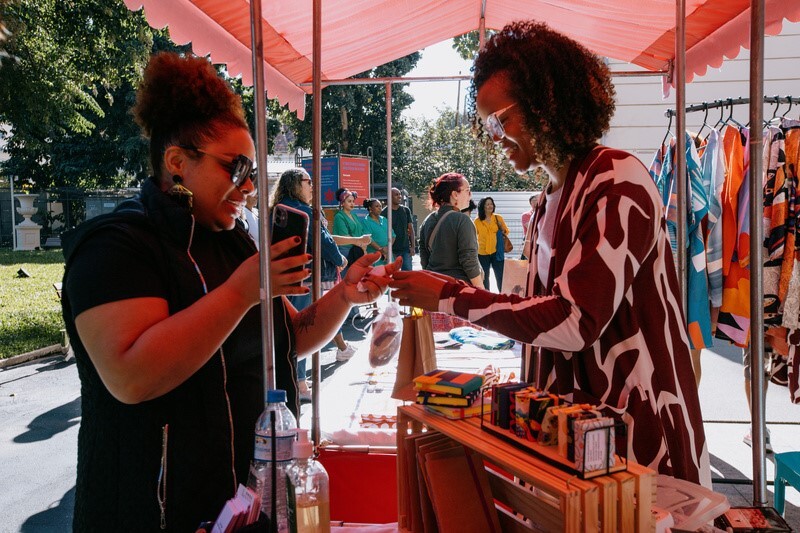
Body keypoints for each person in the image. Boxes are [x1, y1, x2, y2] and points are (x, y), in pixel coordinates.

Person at [60, 52, 398, 531]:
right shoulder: (116, 246)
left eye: (253, 173)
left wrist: (343, 296)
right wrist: (242, 292)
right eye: (235, 168)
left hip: (240, 506)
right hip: (148, 512)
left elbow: (290, 336)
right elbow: (132, 377)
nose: (247, 187)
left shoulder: (234, 241)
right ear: (177, 163)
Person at [390, 21, 709, 485]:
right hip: (578, 447)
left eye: (500, 119)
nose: (494, 135)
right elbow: (537, 317)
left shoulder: (617, 180)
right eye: (487, 124)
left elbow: (573, 320)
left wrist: (450, 296)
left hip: (638, 442)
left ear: (547, 103)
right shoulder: (546, 202)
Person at [269, 167, 349, 399]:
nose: (313, 187)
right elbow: (322, 239)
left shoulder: (276, 209)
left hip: (280, 277)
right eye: (308, 182)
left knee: (286, 329)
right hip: (302, 276)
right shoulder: (303, 211)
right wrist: (339, 258)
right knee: (301, 328)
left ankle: (294, 379)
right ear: (295, 184)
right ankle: (300, 383)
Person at [417, 172, 482, 287]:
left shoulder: (427, 221)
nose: (470, 195)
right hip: (459, 290)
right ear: (455, 194)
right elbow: (469, 261)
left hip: (435, 288)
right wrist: (481, 290)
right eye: (467, 190)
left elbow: (424, 261)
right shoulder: (462, 220)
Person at [473, 196, 510, 291]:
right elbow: (473, 235)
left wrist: (502, 230)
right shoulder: (477, 221)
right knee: (485, 277)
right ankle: (486, 296)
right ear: (483, 207)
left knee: (500, 276)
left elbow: (506, 231)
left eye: (491, 204)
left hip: (496, 252)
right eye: (487, 204)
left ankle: (502, 296)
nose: (490, 206)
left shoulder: (498, 218)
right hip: (482, 253)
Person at [332, 187, 370, 271]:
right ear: (342, 203)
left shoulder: (354, 216)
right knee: (346, 278)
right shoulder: (339, 216)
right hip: (345, 251)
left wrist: (363, 245)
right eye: (349, 201)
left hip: (357, 250)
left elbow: (360, 231)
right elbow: (344, 235)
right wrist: (361, 244)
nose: (352, 203)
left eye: (353, 201)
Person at [381, 187, 415, 271]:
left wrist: (413, 247)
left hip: (405, 249)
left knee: (408, 275)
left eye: (400, 194)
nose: (399, 196)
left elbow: (410, 229)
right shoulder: (384, 212)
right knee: (392, 276)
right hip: (391, 250)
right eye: (396, 194)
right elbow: (381, 232)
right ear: (390, 196)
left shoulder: (405, 210)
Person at [361, 197, 394, 265]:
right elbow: (369, 239)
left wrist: (387, 248)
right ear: (370, 208)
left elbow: (393, 235)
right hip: (375, 257)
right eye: (377, 206)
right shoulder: (366, 222)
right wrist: (381, 250)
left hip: (388, 255)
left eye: (380, 206)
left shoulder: (384, 219)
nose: (380, 208)